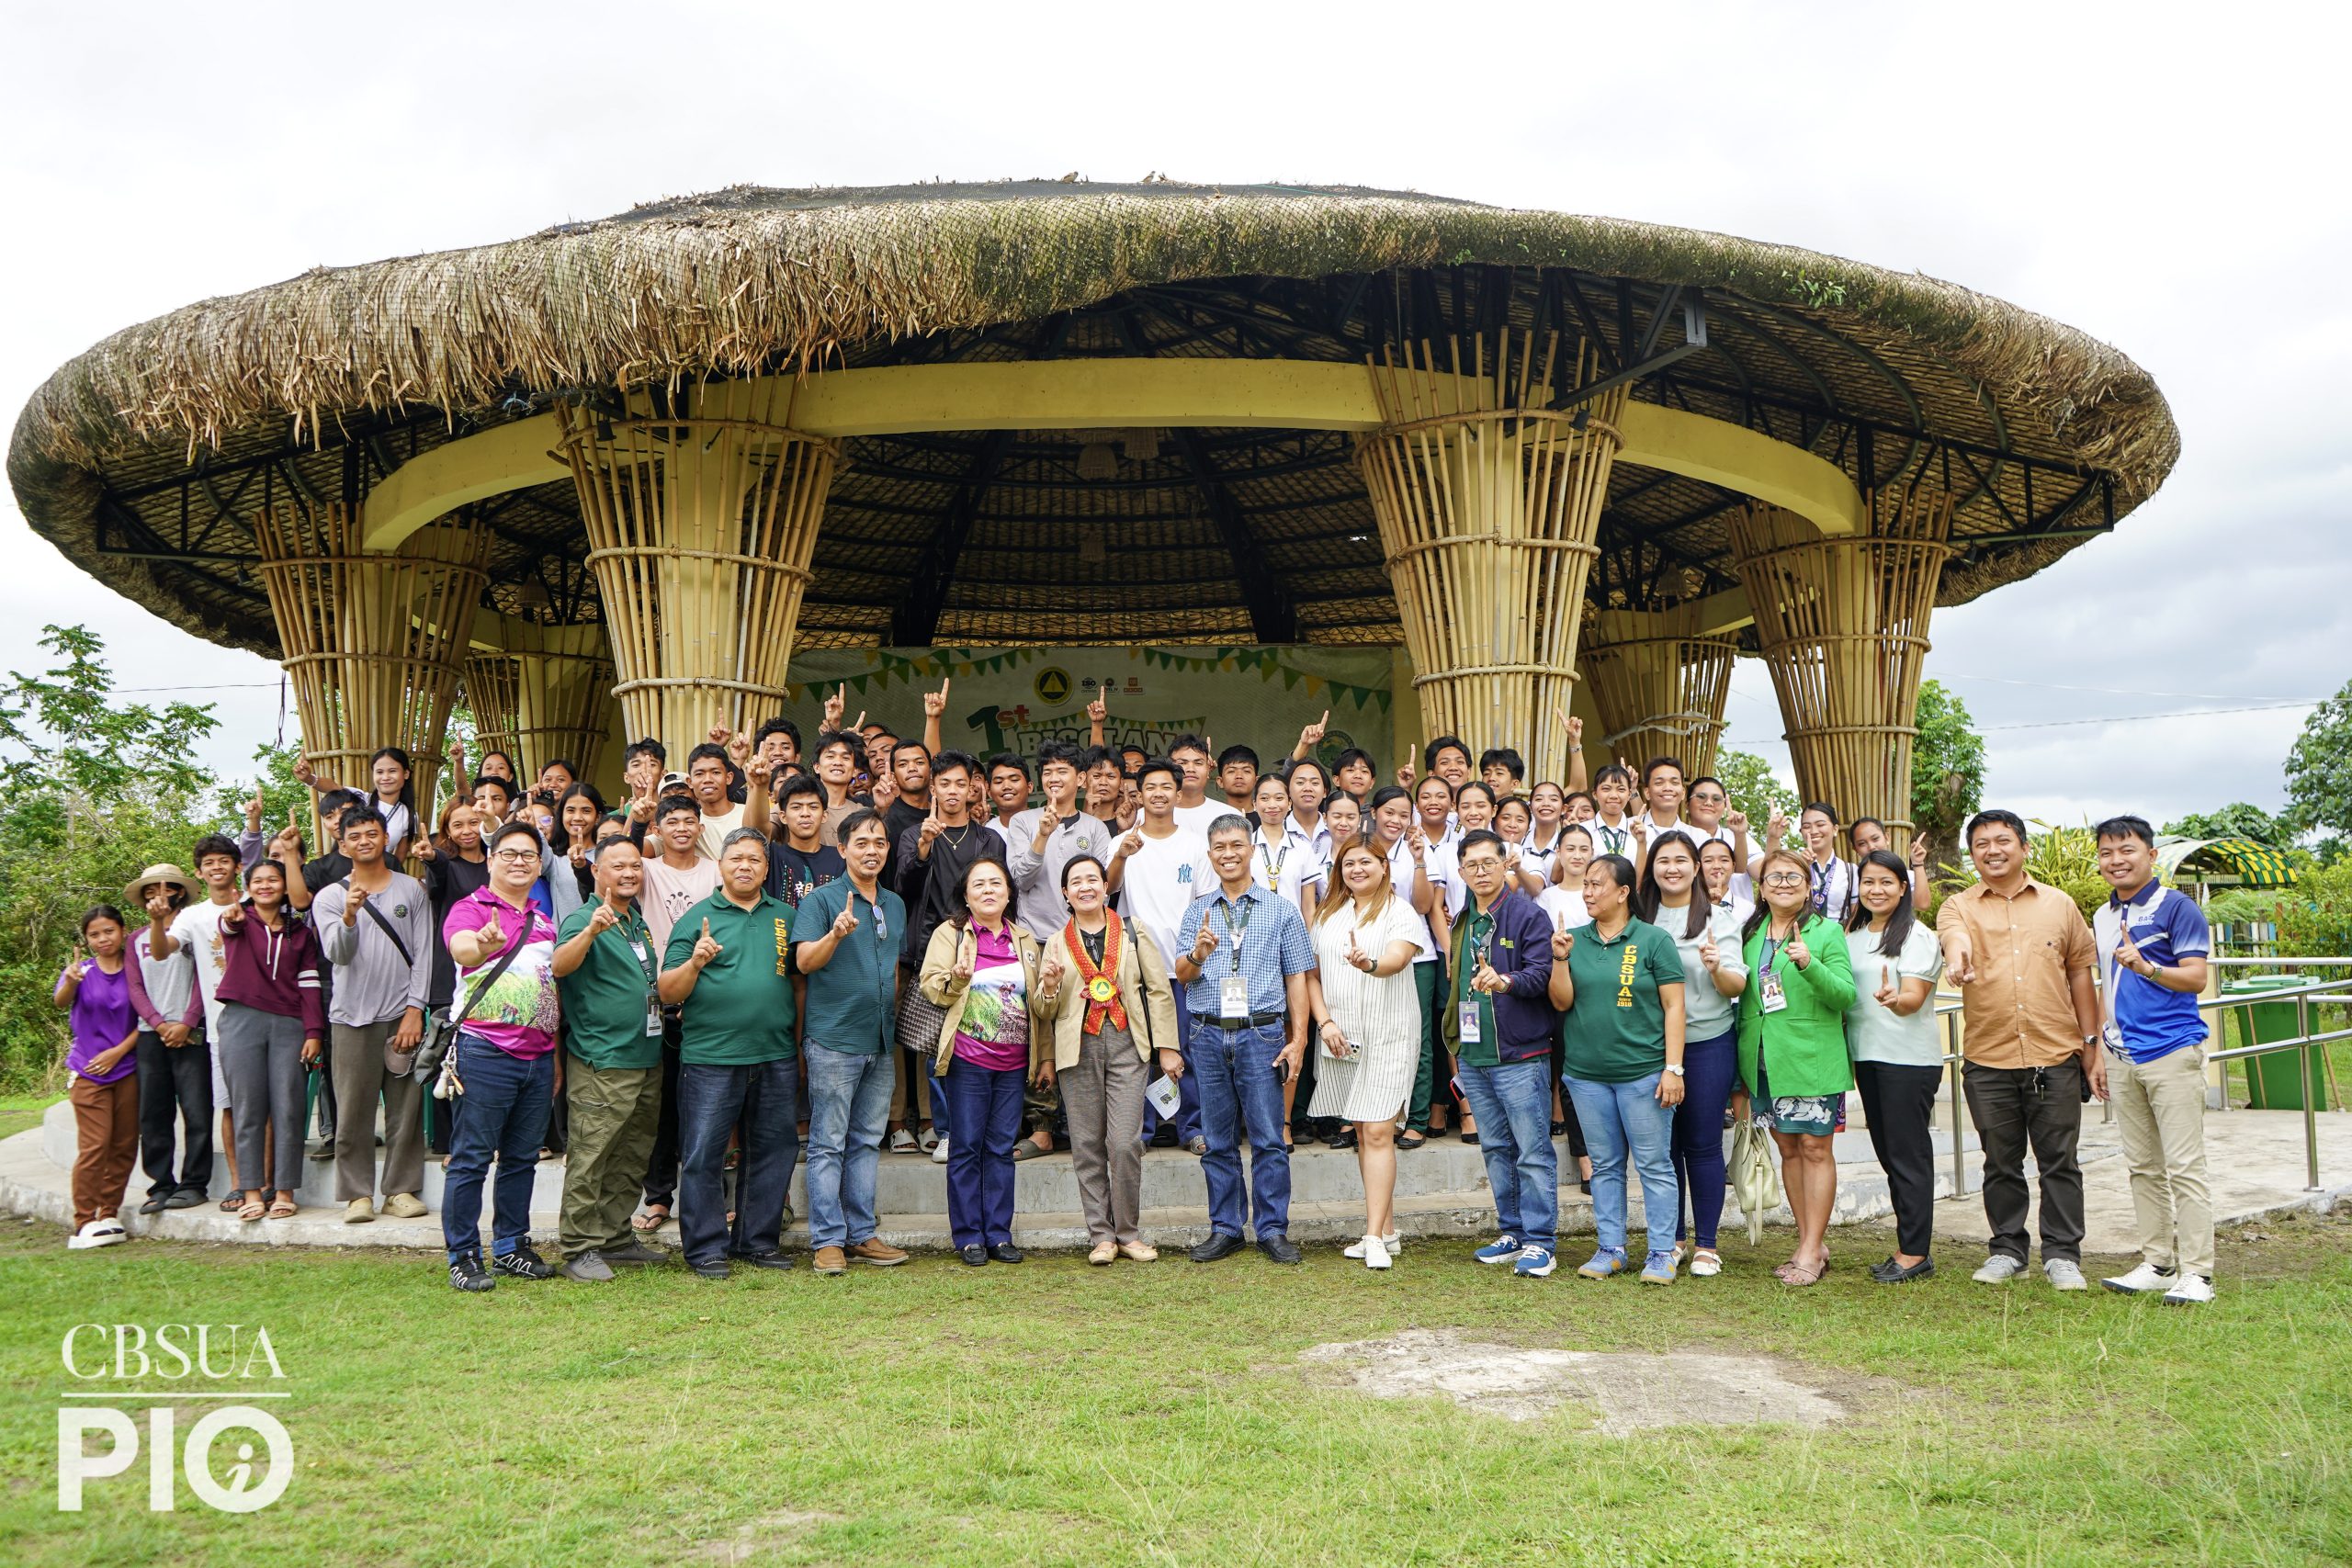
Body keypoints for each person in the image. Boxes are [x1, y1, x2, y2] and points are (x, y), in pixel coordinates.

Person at [1937, 808, 2104, 1291]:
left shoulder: (2059, 905)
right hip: (1988, 1058)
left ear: (2024, 847)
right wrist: (1957, 958)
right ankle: (2008, 1250)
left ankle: (2062, 1255)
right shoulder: (1958, 906)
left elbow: (2080, 973)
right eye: (1981, 844)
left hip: (2055, 1055)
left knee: (2060, 1162)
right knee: (1999, 1162)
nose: (1993, 850)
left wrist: (2091, 1045)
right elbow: (1954, 938)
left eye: (2003, 840)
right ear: (1972, 855)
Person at [1170, 813, 1317, 1264]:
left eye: (1236, 845)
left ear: (1251, 849)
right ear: (1210, 855)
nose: (1228, 854)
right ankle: (1226, 1228)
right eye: (1219, 847)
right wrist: (1198, 954)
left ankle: (1272, 1229)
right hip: (1207, 1032)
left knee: (1269, 1138)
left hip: (1261, 1033)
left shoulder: (1281, 909)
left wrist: (1299, 1039)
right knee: (1217, 1140)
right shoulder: (1198, 909)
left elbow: (1297, 977)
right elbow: (1182, 974)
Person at [657, 828, 801, 1279]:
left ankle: (757, 1242)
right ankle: (705, 1248)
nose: (745, 866)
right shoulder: (696, 919)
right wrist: (696, 962)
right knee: (703, 1154)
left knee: (773, 1150)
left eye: (754, 859)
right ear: (720, 865)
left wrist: (796, 1044)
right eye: (736, 858)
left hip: (775, 1054)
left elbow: (798, 982)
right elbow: (667, 991)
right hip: (711, 1058)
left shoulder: (786, 917)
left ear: (766, 868)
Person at [2090, 815, 2216, 1305]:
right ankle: (2159, 1263)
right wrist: (2100, 1049)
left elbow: (2196, 978)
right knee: (2142, 1165)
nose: (2116, 860)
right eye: (2107, 852)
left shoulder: (2176, 907)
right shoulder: (2102, 916)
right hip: (2122, 1055)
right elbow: (2106, 984)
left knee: (2184, 1166)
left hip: (2171, 1051)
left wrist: (2147, 967)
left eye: (2127, 850)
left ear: (2151, 855)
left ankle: (2198, 1274)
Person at [438, 819, 563, 1291]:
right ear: (491, 860)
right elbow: (462, 949)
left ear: (539, 865)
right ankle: (464, 1255)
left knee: (521, 1158)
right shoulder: (471, 909)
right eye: (508, 853)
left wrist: (554, 1055)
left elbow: (550, 989)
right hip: (484, 1050)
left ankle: (511, 1247)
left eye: (528, 855)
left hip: (538, 1057)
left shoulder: (544, 920)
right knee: (471, 1158)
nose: (518, 862)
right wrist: (481, 945)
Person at [1035, 855, 1176, 1263]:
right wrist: (1049, 986)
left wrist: (1167, 1045)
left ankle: (1128, 1232)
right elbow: (1044, 1010)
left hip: (1128, 1044)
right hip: (1077, 1048)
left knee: (1125, 1142)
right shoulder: (1056, 942)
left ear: (1105, 885)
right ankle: (1102, 1236)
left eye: (1092, 879)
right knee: (1086, 1144)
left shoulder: (1133, 931)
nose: (1085, 887)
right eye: (1076, 882)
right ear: (1065, 893)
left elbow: (1158, 990)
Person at [1555, 853, 1688, 1283]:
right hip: (1586, 1075)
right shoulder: (1574, 939)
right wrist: (1560, 959)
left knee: (1654, 1165)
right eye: (1585, 885)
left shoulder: (1654, 940)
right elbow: (1561, 1002)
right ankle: (1611, 1248)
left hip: (1643, 1073)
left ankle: (1663, 1251)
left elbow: (1674, 1006)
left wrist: (1673, 1068)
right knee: (1605, 1165)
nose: (1587, 892)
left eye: (1596, 884)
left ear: (1623, 892)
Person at [790, 807, 911, 1275]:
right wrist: (835, 935)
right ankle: (827, 1240)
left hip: (879, 1039)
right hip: (834, 1039)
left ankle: (861, 1234)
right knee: (828, 1143)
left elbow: (893, 968)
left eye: (879, 843)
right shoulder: (822, 901)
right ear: (841, 849)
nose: (871, 851)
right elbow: (804, 963)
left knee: (865, 1141)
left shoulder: (894, 903)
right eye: (861, 842)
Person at [1303, 839, 1430, 1269]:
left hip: (1390, 1035)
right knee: (1362, 1131)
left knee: (1377, 1131)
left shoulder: (1400, 911)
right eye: (1348, 863)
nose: (1356, 869)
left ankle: (1372, 1236)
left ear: (1383, 866)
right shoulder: (1328, 915)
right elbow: (1312, 976)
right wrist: (1325, 1023)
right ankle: (1387, 1231)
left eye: (1365, 862)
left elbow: (1397, 959)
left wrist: (1370, 964)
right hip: (1340, 1037)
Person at [549, 836, 672, 1281]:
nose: (629, 873)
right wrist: (589, 933)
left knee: (631, 1154)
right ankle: (579, 1247)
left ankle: (616, 1237)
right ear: (597, 871)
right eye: (617, 865)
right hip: (603, 1059)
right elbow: (559, 966)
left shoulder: (635, 921)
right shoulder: (585, 919)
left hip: (646, 1056)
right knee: (592, 1154)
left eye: (635, 866)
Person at [918, 858, 1049, 1264]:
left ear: (1009, 893)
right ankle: (969, 1236)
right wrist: (957, 977)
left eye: (996, 883)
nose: (988, 890)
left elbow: (1040, 1009)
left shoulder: (1024, 939)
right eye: (979, 885)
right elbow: (931, 988)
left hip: (1014, 1064)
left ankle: (999, 1234)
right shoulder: (951, 934)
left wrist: (1051, 987)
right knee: (966, 1147)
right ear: (966, 896)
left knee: (1001, 1148)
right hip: (968, 1061)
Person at [1736, 848, 1857, 1286]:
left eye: (1793, 877)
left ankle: (1811, 1248)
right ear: (1762, 888)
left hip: (1812, 1058)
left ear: (1808, 888)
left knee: (1815, 1149)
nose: (1783, 883)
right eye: (1774, 877)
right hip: (1764, 1059)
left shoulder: (1826, 932)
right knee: (1788, 1149)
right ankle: (1810, 1243)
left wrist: (1809, 964)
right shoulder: (1751, 934)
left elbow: (1845, 995)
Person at [311, 805, 432, 1224]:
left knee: (406, 1110)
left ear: (385, 838)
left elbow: (424, 955)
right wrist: (349, 915)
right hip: (350, 1017)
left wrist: (415, 1010)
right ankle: (356, 1195)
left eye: (371, 833)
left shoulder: (411, 890)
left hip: (401, 1014)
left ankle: (400, 1190)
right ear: (342, 845)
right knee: (352, 1110)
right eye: (355, 836)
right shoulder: (329, 897)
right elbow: (337, 954)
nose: (364, 841)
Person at [1638, 831, 1747, 1280]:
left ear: (1696, 867)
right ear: (1652, 868)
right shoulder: (1639, 916)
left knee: (1701, 1144)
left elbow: (1736, 985)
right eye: (1663, 860)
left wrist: (1716, 967)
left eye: (1681, 860)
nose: (1672, 868)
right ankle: (1673, 1239)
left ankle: (1707, 1244)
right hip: (1650, 1047)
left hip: (1706, 1042)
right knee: (1665, 1148)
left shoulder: (1718, 918)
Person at [1843, 849, 1946, 1283]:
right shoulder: (1852, 937)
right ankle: (1907, 1247)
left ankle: (1915, 1253)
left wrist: (1895, 999)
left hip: (1907, 1060)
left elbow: (1914, 999)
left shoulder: (1917, 937)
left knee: (1908, 1155)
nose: (1876, 890)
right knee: (1889, 1154)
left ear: (1904, 887)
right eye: (1868, 881)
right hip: (1867, 1057)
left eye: (1886, 881)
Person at [896, 751, 997, 1165]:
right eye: (945, 784)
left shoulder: (988, 839)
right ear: (933, 789)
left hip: (982, 944)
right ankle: (946, 1130)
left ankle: (983, 1127)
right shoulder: (914, 834)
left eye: (960, 784)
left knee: (982, 1036)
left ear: (972, 788)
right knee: (937, 1043)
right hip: (932, 947)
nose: (953, 791)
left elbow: (998, 892)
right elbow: (903, 887)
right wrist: (923, 847)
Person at [1107, 759, 1211, 1151]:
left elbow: (1205, 903)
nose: (1158, 794)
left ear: (1178, 794)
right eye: (1149, 787)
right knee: (1140, 1052)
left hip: (1184, 967)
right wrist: (1122, 855)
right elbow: (1107, 890)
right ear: (1139, 794)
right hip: (1135, 967)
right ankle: (1141, 1132)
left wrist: (1198, 955)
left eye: (1166, 786)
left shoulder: (1195, 845)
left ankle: (1192, 1128)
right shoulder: (1124, 842)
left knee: (1188, 1051)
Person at [214, 860, 325, 1224]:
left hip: (289, 1025)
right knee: (248, 1108)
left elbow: (310, 984)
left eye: (273, 880)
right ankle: (250, 1191)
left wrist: (314, 1032)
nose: (265, 886)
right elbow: (228, 925)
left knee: (289, 1108)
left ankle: (284, 1192)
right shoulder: (239, 920)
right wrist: (232, 918)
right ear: (247, 888)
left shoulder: (301, 932)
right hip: (241, 1021)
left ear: (284, 886)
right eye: (258, 881)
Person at [153, 833, 257, 1207]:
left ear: (238, 866)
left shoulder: (256, 902)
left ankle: (270, 1184)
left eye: (223, 861)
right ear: (199, 872)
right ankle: (239, 1183)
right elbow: (163, 952)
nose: (217, 867)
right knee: (229, 1107)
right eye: (209, 863)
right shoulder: (191, 917)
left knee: (267, 1109)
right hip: (218, 1027)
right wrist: (158, 921)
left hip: (264, 1018)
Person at [631, 791, 718, 1233]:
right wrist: (634, 821)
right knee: (660, 1104)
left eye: (689, 821)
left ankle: (709, 1199)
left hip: (705, 999)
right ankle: (659, 1197)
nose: (681, 829)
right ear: (658, 830)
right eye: (672, 822)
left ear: (700, 828)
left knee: (707, 1106)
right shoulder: (646, 870)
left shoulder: (716, 871)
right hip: (657, 997)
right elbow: (621, 859)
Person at [123, 864, 209, 1214]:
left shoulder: (193, 930)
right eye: (149, 891)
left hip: (191, 1033)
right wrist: (159, 1024)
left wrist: (187, 1022)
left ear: (179, 892)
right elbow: (134, 987)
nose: (157, 895)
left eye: (165, 888)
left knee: (197, 1111)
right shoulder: (135, 940)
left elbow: (205, 978)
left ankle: (194, 1184)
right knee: (154, 1115)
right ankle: (161, 1185)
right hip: (151, 1036)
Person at [1362, 784, 1443, 1150]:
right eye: (1389, 812)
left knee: (1418, 1039)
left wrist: (1419, 860)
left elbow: (1424, 906)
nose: (1395, 820)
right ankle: (1378, 1116)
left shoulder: (1419, 850)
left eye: (1403, 815)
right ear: (1374, 813)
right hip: (1369, 955)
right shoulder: (1361, 849)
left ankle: (1417, 1119)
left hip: (1417, 956)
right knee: (1374, 1035)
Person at [56, 907, 141, 1248]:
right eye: (94, 934)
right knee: (95, 1146)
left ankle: (108, 1213)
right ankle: (83, 1222)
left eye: (108, 931)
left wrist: (118, 1052)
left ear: (122, 931)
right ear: (87, 939)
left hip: (127, 1069)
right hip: (89, 1072)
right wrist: (70, 981)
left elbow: (146, 1019)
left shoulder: (136, 970)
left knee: (124, 1145)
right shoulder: (81, 972)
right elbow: (60, 1001)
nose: (103, 939)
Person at [1004, 739, 1116, 942]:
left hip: (1082, 938)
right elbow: (1022, 881)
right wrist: (1042, 836)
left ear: (1081, 779)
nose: (1053, 779)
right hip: (1034, 938)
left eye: (1062, 771)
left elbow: (1103, 889)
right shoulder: (1022, 821)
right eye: (1047, 772)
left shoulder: (1095, 827)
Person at [1850, 816, 1931, 905]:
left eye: (1875, 839)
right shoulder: (1852, 879)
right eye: (1862, 843)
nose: (1871, 847)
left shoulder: (1907, 876)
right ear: (1855, 849)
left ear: (1886, 838)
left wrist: (1918, 863)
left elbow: (1922, 905)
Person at [1167, 734, 1223, 833]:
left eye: (1198, 763)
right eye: (1182, 763)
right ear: (1168, 769)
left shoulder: (1228, 815)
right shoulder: (1146, 816)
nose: (1191, 769)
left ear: (1208, 769)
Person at [1216, 744, 1260, 812]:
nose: (1239, 776)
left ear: (1256, 781)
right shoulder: (1212, 816)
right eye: (1231, 771)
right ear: (1220, 781)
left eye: (1247, 771)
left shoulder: (1267, 816)